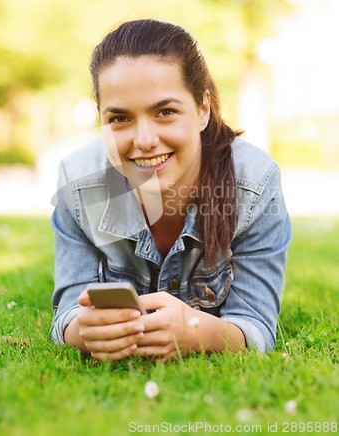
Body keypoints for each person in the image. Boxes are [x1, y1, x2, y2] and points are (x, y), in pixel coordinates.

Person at [51, 19, 292, 362]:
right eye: (120, 118)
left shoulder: (254, 185)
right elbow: (69, 312)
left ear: (202, 110)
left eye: (165, 112)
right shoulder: (78, 183)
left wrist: (198, 331)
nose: (145, 141)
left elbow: (256, 326)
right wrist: (84, 330)